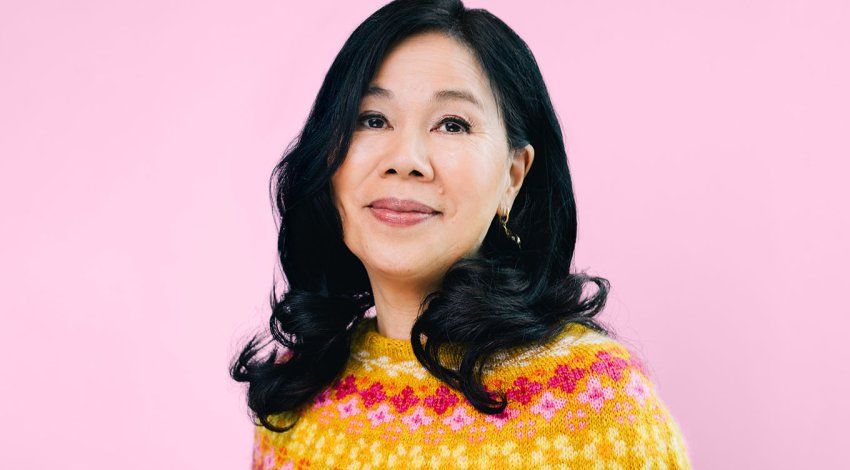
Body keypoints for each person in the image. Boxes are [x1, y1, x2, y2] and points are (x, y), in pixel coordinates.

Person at [231, 0, 692, 468]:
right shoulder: (297, 392)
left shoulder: (595, 403)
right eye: (372, 119)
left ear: (513, 177)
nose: (405, 158)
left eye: (453, 124)